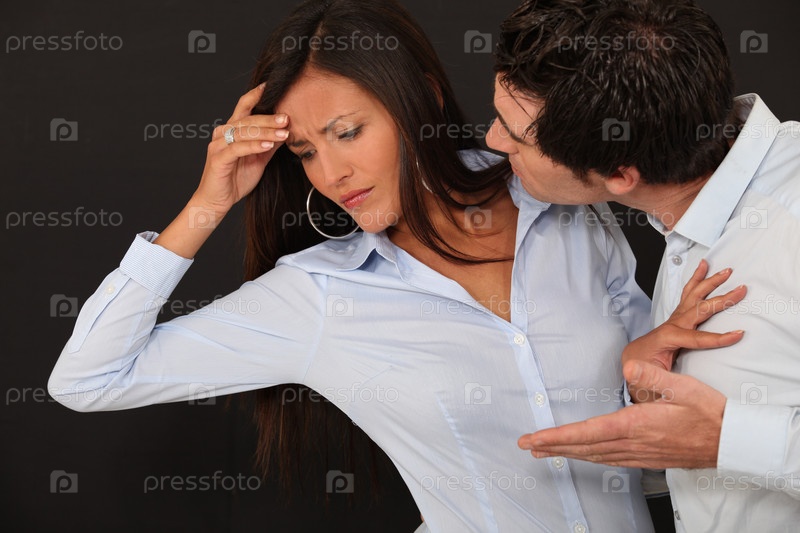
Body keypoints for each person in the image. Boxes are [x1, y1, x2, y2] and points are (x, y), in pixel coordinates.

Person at [47, 0, 736, 531]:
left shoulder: (558, 200)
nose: (331, 173)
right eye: (306, 152)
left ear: (422, 99)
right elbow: (88, 379)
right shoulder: (316, 295)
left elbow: (655, 444)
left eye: (348, 132)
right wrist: (209, 203)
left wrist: (644, 369)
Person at [485, 0, 800, 531]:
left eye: (515, 134)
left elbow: (729, 442)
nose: (492, 141)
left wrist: (729, 440)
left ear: (619, 175)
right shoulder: (688, 214)